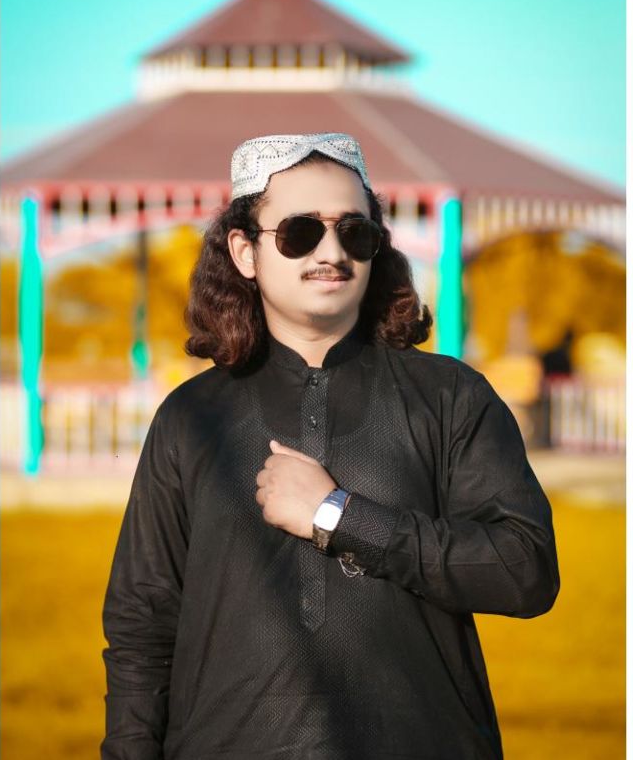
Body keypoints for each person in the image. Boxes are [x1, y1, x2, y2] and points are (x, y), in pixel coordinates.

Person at [101, 132, 560, 760]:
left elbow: (525, 571)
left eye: (354, 232)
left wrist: (339, 516)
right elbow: (141, 624)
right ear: (244, 251)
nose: (332, 252)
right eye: (301, 232)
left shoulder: (450, 397)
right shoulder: (190, 418)